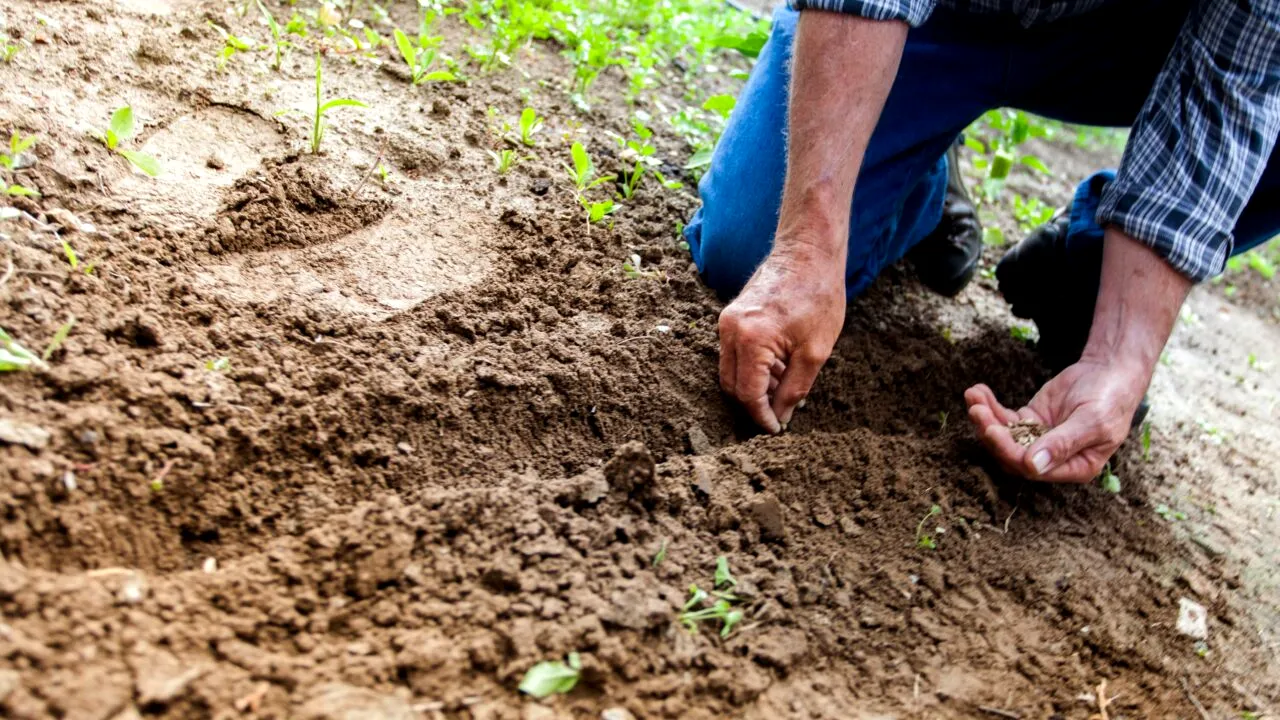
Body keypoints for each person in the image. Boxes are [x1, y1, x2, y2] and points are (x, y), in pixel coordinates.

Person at [682, 0, 1280, 483]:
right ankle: (921, 182)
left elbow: (1235, 85)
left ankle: (1092, 267)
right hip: (938, 18)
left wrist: (1120, 357)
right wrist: (806, 248)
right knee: (749, 249)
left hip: (1132, 39)